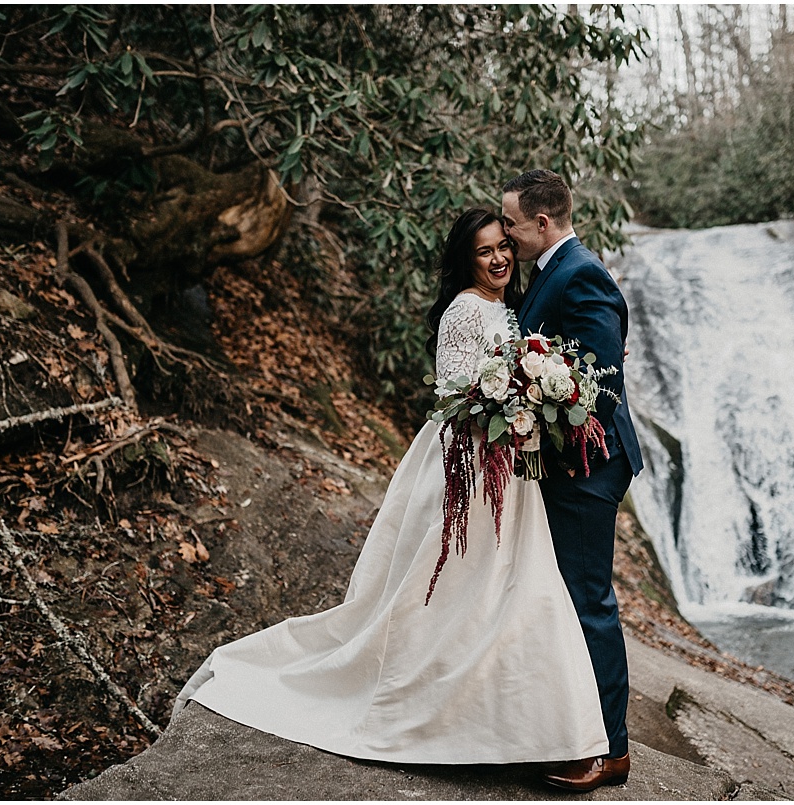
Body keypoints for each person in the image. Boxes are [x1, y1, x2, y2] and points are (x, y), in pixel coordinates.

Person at [177, 207, 612, 768]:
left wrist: (554, 388)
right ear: (466, 259)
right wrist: (515, 401)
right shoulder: (463, 312)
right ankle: (439, 715)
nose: (500, 257)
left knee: (514, 592)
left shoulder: (510, 309)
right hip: (469, 465)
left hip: (512, 467)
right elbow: (458, 397)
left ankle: (527, 732)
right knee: (460, 594)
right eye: (484, 251)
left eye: (504, 244)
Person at [501, 168, 646, 791]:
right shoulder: (547, 274)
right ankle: (569, 730)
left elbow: (603, 382)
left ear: (541, 221)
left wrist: (535, 413)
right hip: (563, 465)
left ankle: (610, 749)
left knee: (588, 600)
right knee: (565, 598)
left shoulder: (580, 271)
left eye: (509, 223)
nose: (504, 236)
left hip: (588, 466)